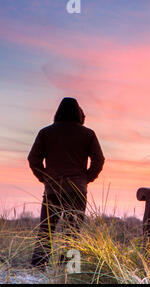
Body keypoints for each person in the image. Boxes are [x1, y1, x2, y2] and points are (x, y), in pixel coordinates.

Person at [28, 97, 105, 267]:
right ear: (79, 114)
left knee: (46, 230)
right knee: (73, 231)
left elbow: (33, 159)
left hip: (52, 190)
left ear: (58, 112)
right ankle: (70, 269)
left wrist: (45, 178)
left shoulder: (46, 133)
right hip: (77, 190)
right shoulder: (88, 134)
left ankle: (39, 266)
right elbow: (99, 160)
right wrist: (85, 179)